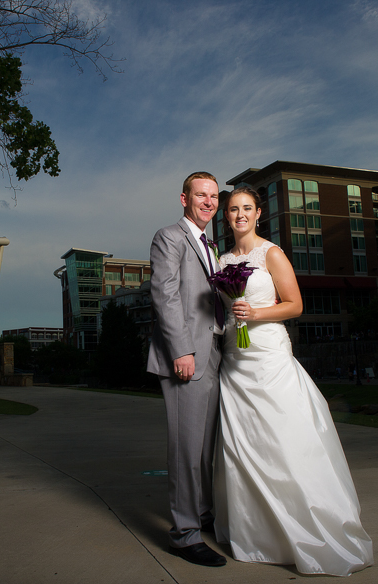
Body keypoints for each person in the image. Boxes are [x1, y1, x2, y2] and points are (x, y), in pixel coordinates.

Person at [212, 186, 373, 576]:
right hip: (235, 363)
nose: (239, 215)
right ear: (226, 216)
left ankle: (306, 528)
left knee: (284, 440)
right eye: (233, 209)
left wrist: (256, 313)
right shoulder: (221, 259)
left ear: (259, 213)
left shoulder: (272, 253)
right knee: (242, 447)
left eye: (246, 208)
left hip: (269, 359)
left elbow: (295, 305)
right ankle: (256, 533)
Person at [147, 171, 226, 567]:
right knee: (185, 450)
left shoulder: (210, 244)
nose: (209, 202)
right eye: (201, 195)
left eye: (213, 196)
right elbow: (165, 295)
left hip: (212, 355)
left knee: (204, 450)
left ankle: (203, 517)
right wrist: (181, 350)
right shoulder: (169, 237)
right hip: (186, 357)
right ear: (184, 199)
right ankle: (184, 534)